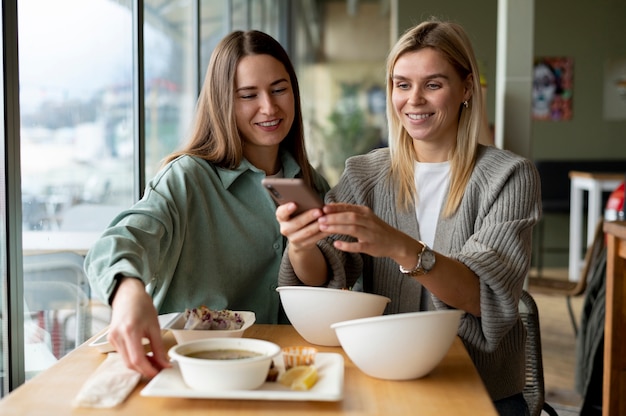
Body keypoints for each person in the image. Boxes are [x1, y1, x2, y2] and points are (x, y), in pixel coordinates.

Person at [275, 19, 540, 416]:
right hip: (384, 377)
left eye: (433, 84)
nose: (414, 100)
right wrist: (300, 244)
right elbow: (324, 275)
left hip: (478, 387)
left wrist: (401, 247)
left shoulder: (509, 176)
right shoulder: (365, 173)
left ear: (466, 88)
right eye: (402, 84)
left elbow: (483, 297)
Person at [84, 29, 329, 378]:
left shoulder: (311, 184)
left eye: (279, 89)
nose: (269, 107)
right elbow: (117, 242)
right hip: (186, 375)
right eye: (248, 95)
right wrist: (127, 292)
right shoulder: (187, 177)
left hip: (279, 377)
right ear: (222, 101)